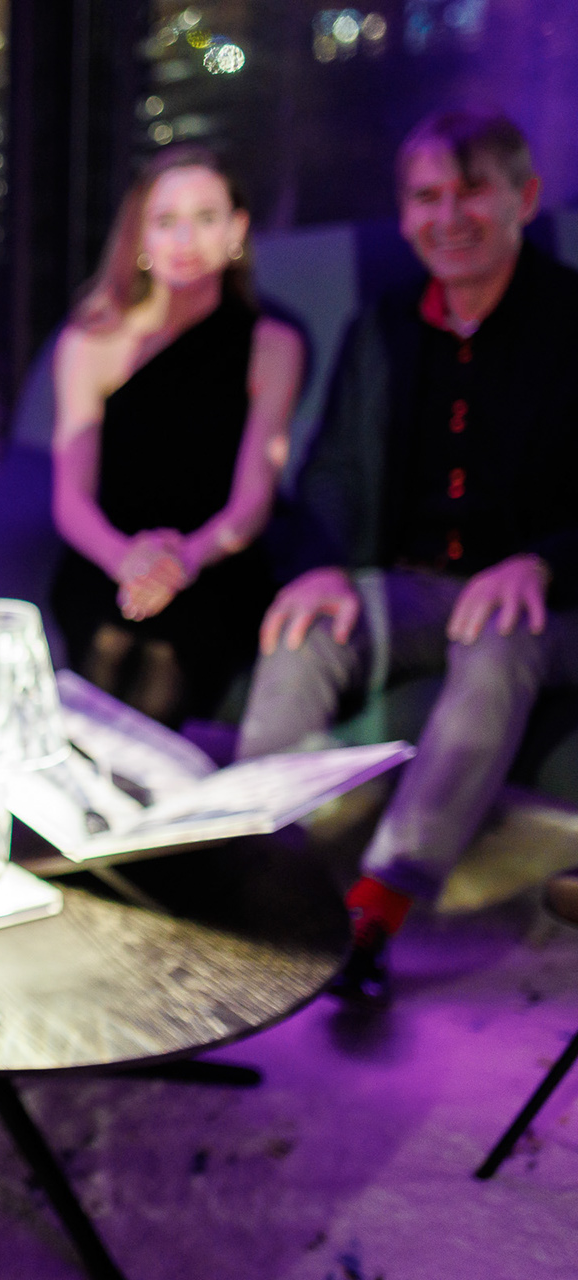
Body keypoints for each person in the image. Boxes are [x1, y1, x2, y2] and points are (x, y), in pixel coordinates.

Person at [237, 109, 578, 1002]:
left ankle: (378, 910)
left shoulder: (571, 319)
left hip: (549, 601)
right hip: (415, 590)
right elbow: (329, 473)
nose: (449, 216)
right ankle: (252, 869)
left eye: (472, 191)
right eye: (428, 197)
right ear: (405, 212)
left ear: (524, 198)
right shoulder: (384, 323)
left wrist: (543, 561)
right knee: (305, 629)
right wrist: (320, 566)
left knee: (498, 639)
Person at [49, 146, 305, 726]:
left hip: (215, 558)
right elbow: (70, 500)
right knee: (109, 643)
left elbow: (252, 501)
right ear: (140, 237)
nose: (185, 239)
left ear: (237, 231)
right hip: (108, 555)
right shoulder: (90, 343)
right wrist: (128, 563)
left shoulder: (273, 345)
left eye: (206, 218)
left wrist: (183, 561)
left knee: (164, 658)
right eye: (166, 221)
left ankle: (134, 786)